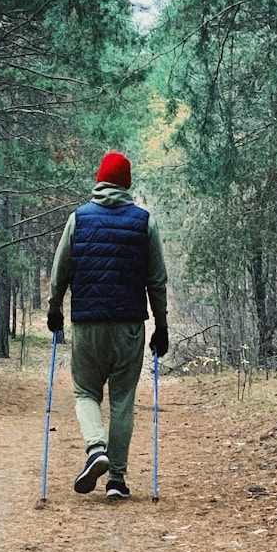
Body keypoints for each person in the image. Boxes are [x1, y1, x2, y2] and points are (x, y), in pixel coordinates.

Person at [47, 151, 169, 499]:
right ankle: (116, 479)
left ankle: (95, 449)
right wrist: (162, 326)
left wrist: (54, 309)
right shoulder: (144, 222)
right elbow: (156, 281)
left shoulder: (79, 219)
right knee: (122, 400)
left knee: (85, 392)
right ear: (126, 184)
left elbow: (60, 272)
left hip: (87, 323)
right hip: (129, 325)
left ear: (100, 180)